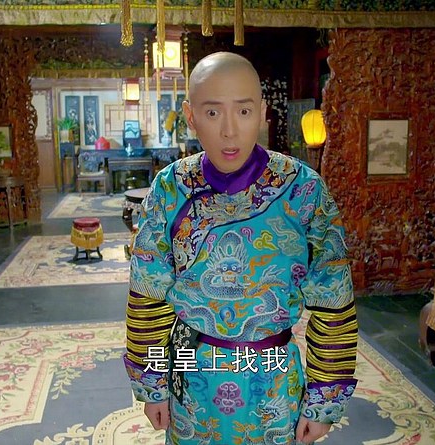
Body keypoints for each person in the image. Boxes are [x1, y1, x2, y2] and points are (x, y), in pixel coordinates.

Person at [123, 52, 357, 444]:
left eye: (244, 111)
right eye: (213, 113)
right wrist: (153, 386)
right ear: (190, 115)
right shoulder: (170, 188)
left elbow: (334, 300)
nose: (229, 131)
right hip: (191, 373)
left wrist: (322, 401)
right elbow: (148, 297)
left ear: (262, 113)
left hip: (274, 377)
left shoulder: (303, 190)